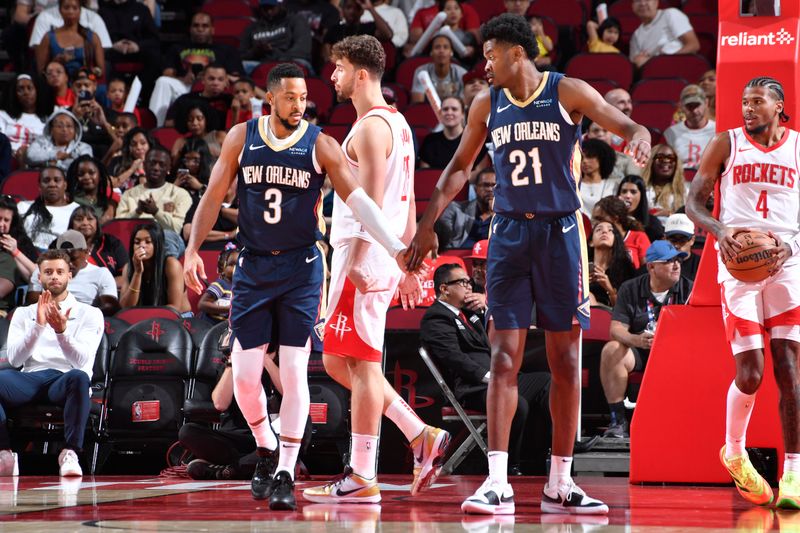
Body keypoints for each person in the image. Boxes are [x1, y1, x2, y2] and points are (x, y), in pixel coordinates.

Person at [405, 13, 651, 515]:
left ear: (518, 52)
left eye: (491, 54)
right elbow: (458, 167)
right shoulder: (485, 103)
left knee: (564, 361)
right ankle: (497, 481)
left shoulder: (568, 90)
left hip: (561, 234)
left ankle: (561, 480)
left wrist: (640, 132)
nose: (485, 64)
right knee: (502, 358)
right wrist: (427, 221)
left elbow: (622, 122)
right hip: (509, 235)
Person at [183, 62, 417, 511]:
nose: (300, 104)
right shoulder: (241, 137)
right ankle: (265, 446)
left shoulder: (321, 143)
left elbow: (359, 200)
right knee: (247, 380)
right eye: (290, 97)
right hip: (252, 269)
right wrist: (193, 248)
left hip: (302, 268)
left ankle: (286, 469)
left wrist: (394, 247)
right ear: (269, 99)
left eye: (304, 97)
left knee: (293, 371)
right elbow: (213, 196)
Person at [301, 36, 449, 507]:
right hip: (382, 255)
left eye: (339, 68)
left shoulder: (368, 129)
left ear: (361, 74)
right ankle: (418, 432)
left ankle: (362, 474)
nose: (333, 77)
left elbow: (368, 205)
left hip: (361, 256)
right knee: (335, 360)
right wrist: (407, 263)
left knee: (362, 364)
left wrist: (367, 261)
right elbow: (404, 206)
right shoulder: (399, 124)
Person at [685, 77, 800, 509]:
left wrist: (792, 246)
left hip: (788, 260)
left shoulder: (797, 147)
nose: (747, 108)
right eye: (744, 101)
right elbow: (693, 201)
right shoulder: (726, 142)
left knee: (789, 368)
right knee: (751, 372)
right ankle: (734, 451)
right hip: (739, 265)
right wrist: (720, 229)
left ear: (779, 106)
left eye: (757, 101)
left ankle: (794, 474)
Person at [421, 263, 552, 475]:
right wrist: (489, 377)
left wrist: (484, 311)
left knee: (546, 381)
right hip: (472, 387)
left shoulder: (470, 314)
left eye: (468, 282)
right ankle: (509, 466)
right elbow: (454, 358)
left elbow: (487, 347)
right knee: (516, 404)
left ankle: (555, 451)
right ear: (444, 289)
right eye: (462, 282)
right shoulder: (436, 317)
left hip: (497, 379)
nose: (468, 286)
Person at [2, 249, 104, 477]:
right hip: (30, 378)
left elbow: (82, 361)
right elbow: (16, 360)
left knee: (80, 377)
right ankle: (4, 453)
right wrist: (38, 327)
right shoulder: (22, 313)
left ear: (70, 275)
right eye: (48, 272)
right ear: (39, 277)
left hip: (65, 378)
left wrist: (61, 331)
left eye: (60, 271)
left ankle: (70, 452)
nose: (54, 276)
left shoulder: (91, 313)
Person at [600, 240, 692, 437]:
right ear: (651, 267)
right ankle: (618, 420)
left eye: (678, 260)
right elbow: (616, 329)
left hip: (677, 354)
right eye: (668, 261)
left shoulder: (690, 289)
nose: (676, 265)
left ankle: (688, 420)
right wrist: (637, 340)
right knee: (611, 349)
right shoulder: (630, 288)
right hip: (641, 351)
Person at [116, 146, 193, 259]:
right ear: (145, 165)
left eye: (161, 165)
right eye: (152, 163)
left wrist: (156, 211)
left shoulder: (180, 194)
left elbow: (176, 229)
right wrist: (137, 212)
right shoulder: (129, 194)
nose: (156, 168)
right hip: (136, 241)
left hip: (166, 241)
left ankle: (167, 274)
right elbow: (118, 226)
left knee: (167, 237)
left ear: (168, 169)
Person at [28, 229, 119, 316]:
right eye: (63, 259)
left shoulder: (101, 273)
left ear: (86, 252)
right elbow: (32, 303)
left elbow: (110, 306)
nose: (69, 264)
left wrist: (82, 315)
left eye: (73, 259)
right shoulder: (41, 272)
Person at [120, 222, 190, 313]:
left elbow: (174, 308)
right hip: (143, 319)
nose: (142, 246)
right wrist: (137, 273)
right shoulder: (128, 268)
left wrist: (146, 318)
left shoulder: (171, 264)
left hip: (178, 319)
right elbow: (125, 308)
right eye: (137, 242)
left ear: (157, 244)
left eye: (148, 242)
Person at [34, 0, 104, 79]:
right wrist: (54, 62)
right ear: (60, 10)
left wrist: (89, 72)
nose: (70, 12)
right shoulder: (48, 37)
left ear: (80, 11)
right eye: (66, 8)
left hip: (84, 83)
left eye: (75, 8)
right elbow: (41, 71)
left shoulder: (92, 37)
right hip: (57, 84)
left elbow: (101, 71)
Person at [239, 0, 312, 74]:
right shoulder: (252, 28)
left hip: (289, 60)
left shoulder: (296, 21)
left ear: (281, 5)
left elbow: (302, 50)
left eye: (272, 8)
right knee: (242, 65)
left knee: (299, 64)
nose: (269, 11)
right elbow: (241, 55)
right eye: (265, 8)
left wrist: (276, 56)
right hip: (260, 63)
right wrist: (255, 51)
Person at [19, 166, 81, 250]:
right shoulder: (23, 207)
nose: (52, 184)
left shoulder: (77, 210)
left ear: (65, 185)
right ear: (39, 186)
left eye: (57, 180)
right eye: (46, 181)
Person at [435, 167, 495, 250]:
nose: (490, 189)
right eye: (485, 185)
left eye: (494, 185)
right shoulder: (456, 209)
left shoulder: (505, 215)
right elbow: (442, 239)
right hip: (459, 256)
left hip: (491, 257)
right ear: (475, 189)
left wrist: (496, 213)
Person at [66, 205, 127, 284]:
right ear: (71, 224)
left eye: (90, 219)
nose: (85, 223)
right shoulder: (61, 244)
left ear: (97, 223)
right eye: (79, 219)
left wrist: (103, 286)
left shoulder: (112, 243)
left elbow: (126, 277)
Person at [629, 0, 699, 68]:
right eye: (637, 0)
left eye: (647, 0)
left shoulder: (670, 14)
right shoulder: (636, 35)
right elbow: (637, 62)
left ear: (656, 2)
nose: (642, 3)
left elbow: (693, 45)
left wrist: (663, 61)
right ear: (632, 6)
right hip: (655, 72)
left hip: (680, 66)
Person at [164, 64, 232, 132]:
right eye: (211, 79)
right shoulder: (185, 99)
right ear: (203, 79)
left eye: (220, 79)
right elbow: (168, 123)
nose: (215, 83)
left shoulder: (230, 101)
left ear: (226, 81)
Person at [322, 0, 393, 64]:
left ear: (362, 11)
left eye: (357, 8)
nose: (352, 11)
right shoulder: (334, 29)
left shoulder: (368, 27)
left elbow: (388, 35)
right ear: (342, 10)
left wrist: (370, 8)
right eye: (348, 7)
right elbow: (327, 57)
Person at [664, 84, 716, 171]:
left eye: (697, 105)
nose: (694, 111)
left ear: (706, 103)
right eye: (689, 106)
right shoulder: (671, 133)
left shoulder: (717, 130)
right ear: (681, 106)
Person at [0, 74, 49, 164]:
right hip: (7, 160)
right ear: (14, 93)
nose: (26, 92)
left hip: (38, 161)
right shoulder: (3, 115)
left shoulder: (48, 118)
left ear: (37, 91)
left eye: (29, 88)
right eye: (20, 89)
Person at [592, 195, 651, 270]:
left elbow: (646, 269)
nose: (596, 223)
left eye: (600, 219)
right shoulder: (597, 238)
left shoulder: (639, 237)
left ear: (615, 218)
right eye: (594, 219)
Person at [26, 109, 92, 172]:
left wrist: (54, 165)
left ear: (76, 130)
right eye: (59, 126)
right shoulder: (40, 142)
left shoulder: (84, 147)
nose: (64, 130)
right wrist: (55, 155)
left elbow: (85, 167)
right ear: (51, 130)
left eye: (69, 126)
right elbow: (30, 156)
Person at [588, 220, 636, 307]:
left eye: (610, 230)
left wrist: (609, 288)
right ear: (591, 242)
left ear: (616, 239)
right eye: (599, 230)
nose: (604, 232)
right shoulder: (581, 266)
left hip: (611, 315)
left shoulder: (625, 268)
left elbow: (627, 309)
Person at [410, 34, 468, 104]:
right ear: (431, 53)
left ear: (451, 52)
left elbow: (463, 105)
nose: (441, 51)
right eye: (437, 47)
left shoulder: (462, 73)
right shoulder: (421, 72)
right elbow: (418, 105)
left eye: (446, 47)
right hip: (428, 111)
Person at [641, 143, 687, 223]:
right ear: (651, 161)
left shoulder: (685, 191)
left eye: (671, 158)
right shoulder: (640, 188)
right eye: (660, 158)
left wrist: (670, 214)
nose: (666, 161)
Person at [66, 155, 116, 225]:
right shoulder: (70, 199)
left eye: (91, 173)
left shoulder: (108, 202)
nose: (86, 177)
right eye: (81, 174)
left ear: (100, 175)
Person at [0, 195, 38, 284]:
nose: (1, 224)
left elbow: (37, 276)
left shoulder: (21, 240)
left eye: (6, 220)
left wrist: (15, 252)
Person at [420, 96, 465, 169]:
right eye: (445, 109)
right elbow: (425, 173)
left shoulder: (472, 140)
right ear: (440, 113)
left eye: (454, 109)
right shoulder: (430, 141)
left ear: (463, 114)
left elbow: (477, 173)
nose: (449, 112)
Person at [617, 175, 663, 242]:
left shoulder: (653, 224)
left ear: (641, 196)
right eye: (624, 191)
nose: (627, 196)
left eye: (633, 192)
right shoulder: (611, 221)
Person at [580, 138, 620, 216]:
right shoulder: (573, 186)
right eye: (582, 157)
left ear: (601, 158)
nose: (584, 161)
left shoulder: (614, 185)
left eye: (589, 156)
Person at [199, 247, 238, 324]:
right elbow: (202, 304)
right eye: (232, 264)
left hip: (226, 328)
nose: (237, 268)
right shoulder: (220, 285)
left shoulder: (241, 287)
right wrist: (227, 309)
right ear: (222, 269)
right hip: (210, 326)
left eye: (240, 265)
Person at [107, 127, 154, 191]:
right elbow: (109, 185)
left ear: (149, 145)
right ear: (128, 147)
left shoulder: (155, 166)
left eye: (143, 143)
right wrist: (131, 170)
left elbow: (146, 193)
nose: (138, 147)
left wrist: (141, 171)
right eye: (134, 144)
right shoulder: (117, 161)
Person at [663, 213, 700, 282]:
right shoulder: (655, 265)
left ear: (692, 240)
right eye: (673, 240)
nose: (677, 245)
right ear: (665, 239)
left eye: (682, 240)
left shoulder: (702, 266)